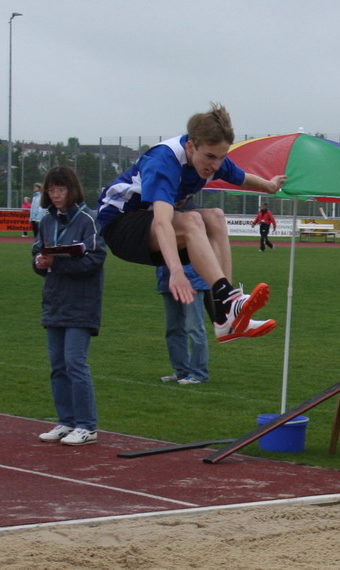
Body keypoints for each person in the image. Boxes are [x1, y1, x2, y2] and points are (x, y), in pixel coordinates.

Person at [97, 103, 286, 343]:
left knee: (216, 216)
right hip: (119, 226)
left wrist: (270, 185)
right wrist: (176, 271)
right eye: (210, 157)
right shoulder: (164, 161)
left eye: (222, 158)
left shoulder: (212, 158)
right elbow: (162, 222)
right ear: (190, 146)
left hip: (150, 226)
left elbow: (242, 178)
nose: (215, 166)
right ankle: (228, 304)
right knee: (192, 220)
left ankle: (225, 314)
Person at [33, 166, 107, 446]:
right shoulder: (46, 221)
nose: (55, 195)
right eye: (51, 190)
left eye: (61, 189)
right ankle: (66, 421)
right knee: (58, 365)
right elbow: (37, 253)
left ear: (72, 190)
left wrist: (58, 262)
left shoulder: (89, 219)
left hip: (81, 303)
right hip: (54, 301)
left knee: (75, 363)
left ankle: (87, 426)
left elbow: (95, 259)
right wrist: (40, 262)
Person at [157, 263, 210, 385]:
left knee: (194, 328)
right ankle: (182, 371)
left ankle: (199, 373)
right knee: (173, 329)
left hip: (192, 280)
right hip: (167, 280)